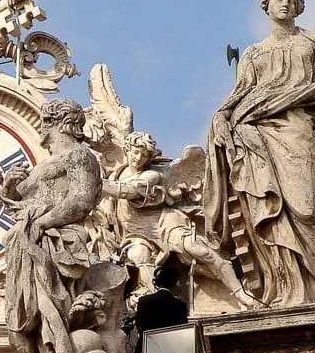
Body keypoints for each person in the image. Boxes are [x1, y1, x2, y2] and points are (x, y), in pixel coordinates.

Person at [205, 0, 315, 307]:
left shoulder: (313, 41)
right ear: (266, 5)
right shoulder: (253, 54)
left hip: (296, 129)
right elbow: (238, 97)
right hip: (255, 132)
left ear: (298, 6)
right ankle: (284, 287)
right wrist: (220, 118)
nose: (285, 4)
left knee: (304, 208)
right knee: (269, 208)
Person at [2, 98, 102, 353]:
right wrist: (8, 187)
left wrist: (41, 223)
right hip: (27, 244)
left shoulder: (78, 155)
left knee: (52, 311)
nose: (40, 130)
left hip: (54, 242)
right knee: (33, 316)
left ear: (57, 123)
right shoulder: (44, 165)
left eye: (44, 122)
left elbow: (81, 201)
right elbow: (17, 203)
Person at [102, 131, 255, 309]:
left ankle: (240, 292)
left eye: (144, 155)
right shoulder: (114, 175)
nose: (138, 158)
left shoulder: (151, 176)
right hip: (136, 232)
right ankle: (156, 304)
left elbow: (128, 190)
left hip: (163, 223)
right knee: (138, 255)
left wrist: (95, 181)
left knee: (199, 250)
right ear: (127, 150)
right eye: (135, 152)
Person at [135, 266, 188, 353]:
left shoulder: (144, 301)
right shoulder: (180, 305)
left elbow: (140, 325)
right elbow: (182, 330)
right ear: (176, 283)